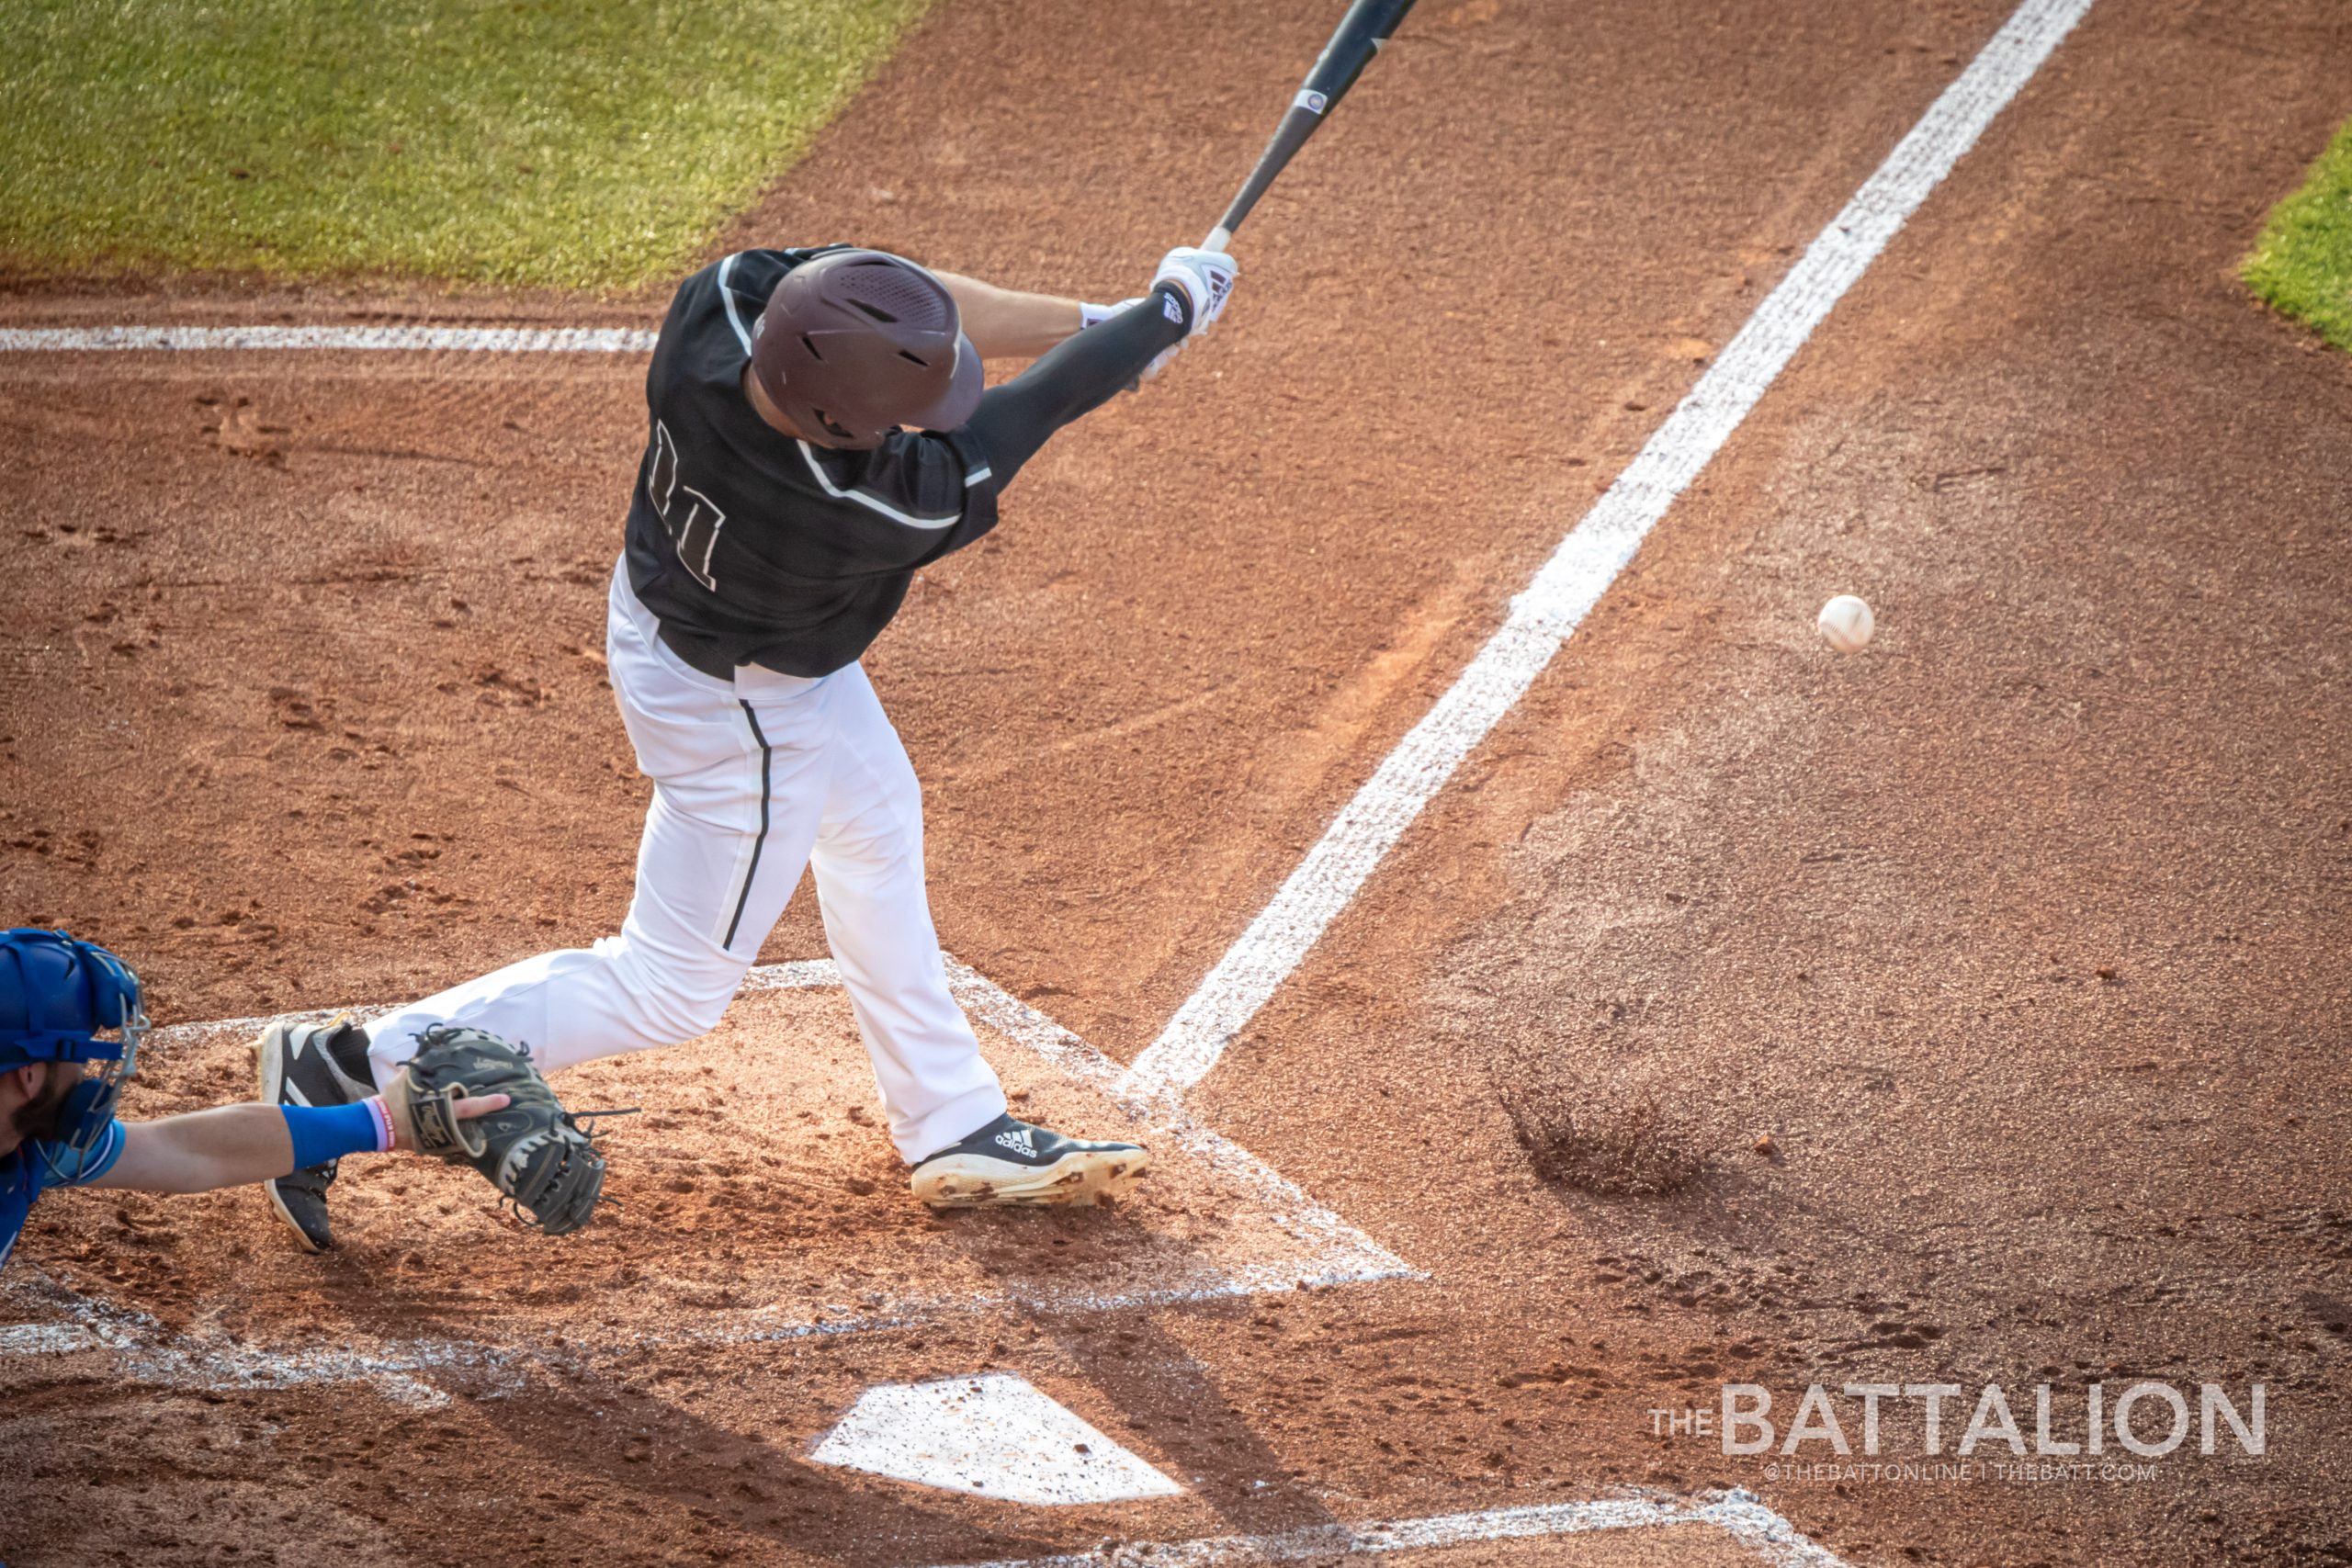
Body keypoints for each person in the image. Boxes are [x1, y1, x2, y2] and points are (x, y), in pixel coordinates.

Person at [264, 240, 1238, 1251]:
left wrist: (1102, 320)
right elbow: (1029, 413)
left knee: (872, 822)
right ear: (838, 422)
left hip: (662, 612)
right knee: (666, 987)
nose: (919, 416)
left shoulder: (723, 308)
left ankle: (952, 1120)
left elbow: (912, 307)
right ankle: (348, 1064)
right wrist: (1159, 318)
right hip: (744, 711)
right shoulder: (859, 503)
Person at [1, 928, 507, 1271]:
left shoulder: (32, 1143)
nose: (90, 1077)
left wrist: (378, 1121)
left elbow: (191, 1150)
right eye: (80, 1060)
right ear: (29, 1074)